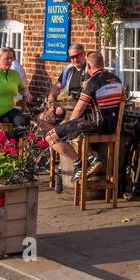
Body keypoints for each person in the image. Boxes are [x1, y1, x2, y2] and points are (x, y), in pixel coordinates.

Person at [45, 51, 123, 183]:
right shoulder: (117, 79)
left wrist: (67, 126)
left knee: (50, 137)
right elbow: (123, 99)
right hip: (113, 125)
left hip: (96, 125)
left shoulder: (93, 81)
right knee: (74, 132)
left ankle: (80, 164)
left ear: (89, 66)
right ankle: (91, 157)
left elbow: (79, 109)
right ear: (102, 64)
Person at [34, 43, 86, 135]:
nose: (75, 59)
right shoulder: (69, 69)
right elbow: (57, 86)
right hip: (66, 103)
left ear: (84, 54)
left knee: (60, 126)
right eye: (72, 57)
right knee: (41, 117)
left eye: (77, 56)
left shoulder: (89, 69)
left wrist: (60, 104)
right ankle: (57, 137)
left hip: (79, 107)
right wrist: (52, 99)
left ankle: (58, 136)